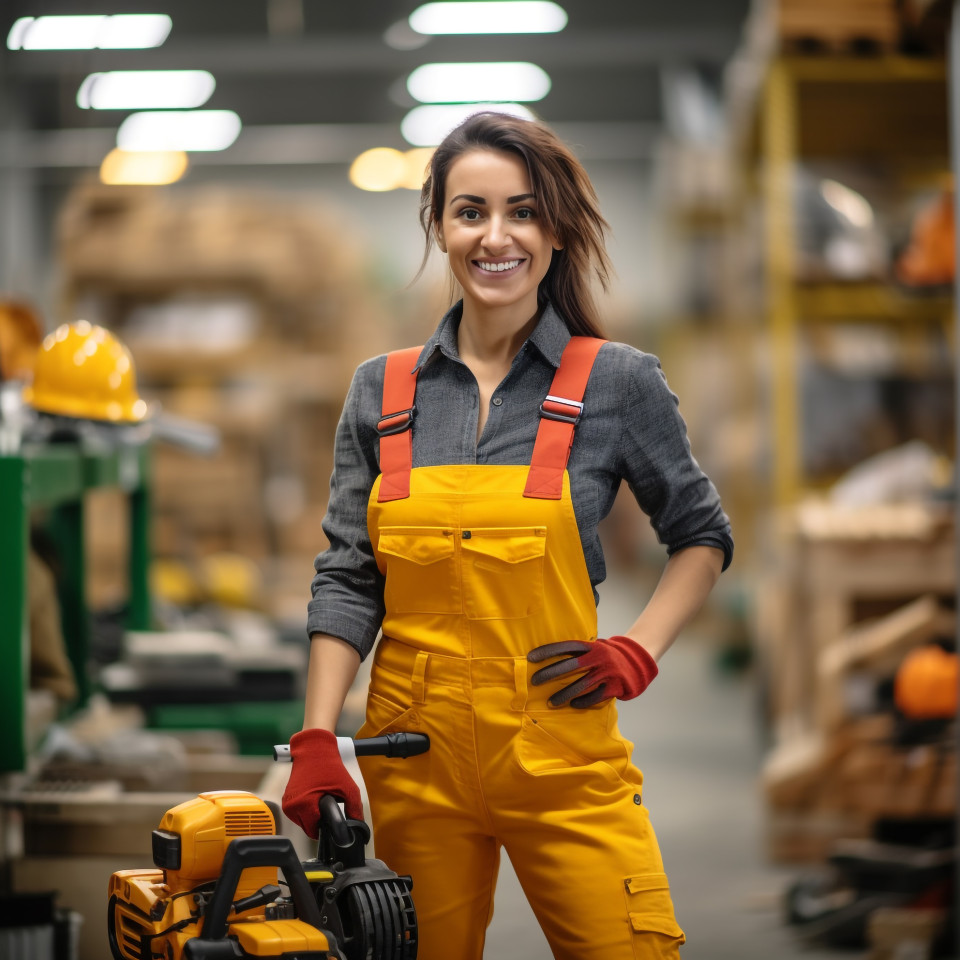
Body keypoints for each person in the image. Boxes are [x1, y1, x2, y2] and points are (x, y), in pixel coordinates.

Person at [282, 111, 733, 960]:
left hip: (561, 748)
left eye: (523, 212)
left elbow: (701, 535)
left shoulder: (618, 382)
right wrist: (318, 736)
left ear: (556, 230)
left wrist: (640, 647)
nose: (497, 237)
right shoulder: (379, 392)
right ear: (439, 226)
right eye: (471, 212)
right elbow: (348, 576)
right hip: (413, 757)